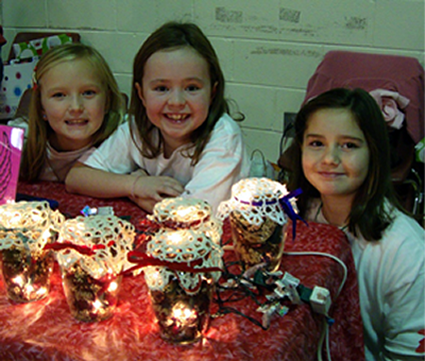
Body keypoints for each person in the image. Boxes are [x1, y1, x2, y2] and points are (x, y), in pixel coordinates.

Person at [284, 87, 425, 360]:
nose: (329, 159)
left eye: (349, 145)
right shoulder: (295, 216)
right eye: (316, 143)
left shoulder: (407, 252)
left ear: (374, 152)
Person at [65, 21, 250, 213]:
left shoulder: (224, 137)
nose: (176, 102)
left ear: (212, 92)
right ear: (141, 94)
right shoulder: (139, 127)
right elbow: (77, 178)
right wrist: (136, 184)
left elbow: (191, 216)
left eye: (192, 88)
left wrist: (137, 195)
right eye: (162, 88)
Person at [19, 43, 125, 182]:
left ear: (107, 101)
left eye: (88, 93)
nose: (76, 107)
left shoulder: (125, 142)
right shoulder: (20, 143)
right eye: (59, 95)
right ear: (41, 107)